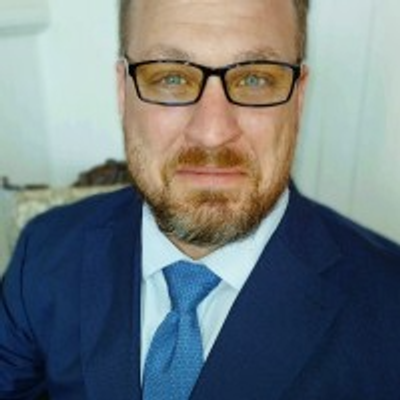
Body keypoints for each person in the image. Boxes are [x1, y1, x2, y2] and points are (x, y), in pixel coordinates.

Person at [1, 0, 400, 399]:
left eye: (255, 79)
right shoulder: (44, 253)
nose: (212, 133)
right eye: (172, 77)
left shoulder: (389, 308)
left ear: (298, 98)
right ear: (123, 92)